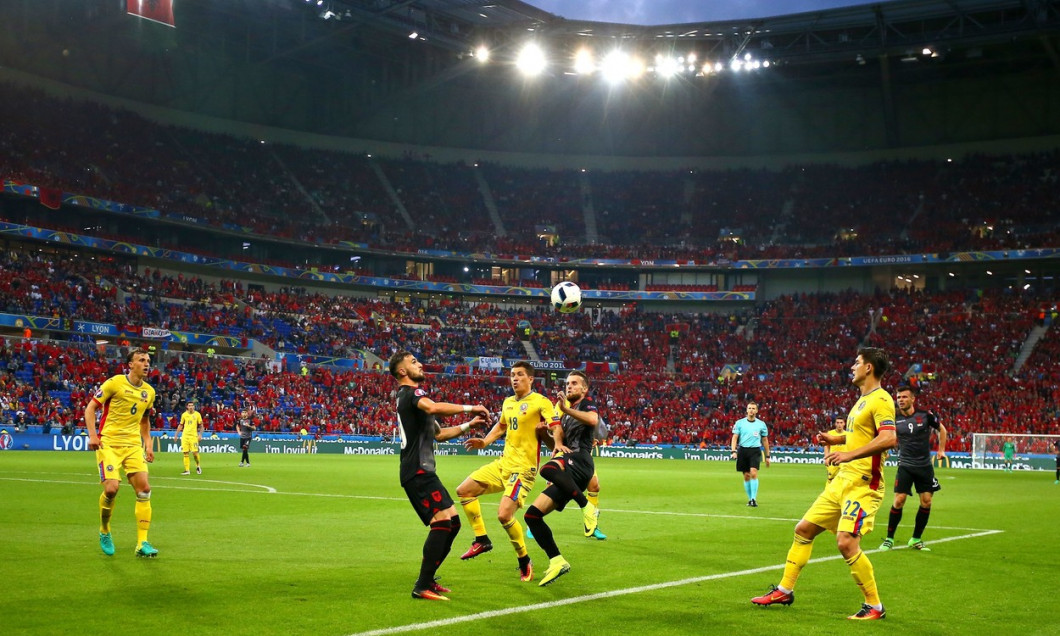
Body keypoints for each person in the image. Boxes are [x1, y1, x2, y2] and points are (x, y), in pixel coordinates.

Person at [751, 347, 897, 621]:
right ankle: (785, 589)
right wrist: (836, 441)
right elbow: (860, 436)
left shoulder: (882, 400)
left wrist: (848, 454)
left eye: (857, 362)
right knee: (803, 529)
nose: (852, 366)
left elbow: (889, 438)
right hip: (841, 482)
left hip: (863, 484)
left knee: (846, 542)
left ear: (868, 368)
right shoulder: (861, 401)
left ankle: (874, 606)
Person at [389, 351, 491, 601]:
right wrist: (471, 407)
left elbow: (439, 434)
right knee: (443, 523)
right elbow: (434, 406)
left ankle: (428, 580)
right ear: (402, 371)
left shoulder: (411, 400)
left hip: (423, 470)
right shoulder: (413, 394)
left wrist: (469, 425)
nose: (420, 363)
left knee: (453, 523)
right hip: (417, 471)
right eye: (413, 362)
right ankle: (421, 585)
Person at [456, 361, 558, 583]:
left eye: (520, 375)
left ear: (530, 379)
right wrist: (484, 442)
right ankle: (481, 539)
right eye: (512, 375)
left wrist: (551, 438)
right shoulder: (508, 402)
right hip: (503, 464)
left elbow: (555, 429)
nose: (515, 378)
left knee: (504, 515)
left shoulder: (541, 402)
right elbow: (502, 426)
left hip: (523, 470)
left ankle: (524, 560)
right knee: (464, 491)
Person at [524, 371, 601, 587]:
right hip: (569, 465)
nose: (569, 386)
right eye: (567, 383)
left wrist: (566, 408)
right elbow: (559, 445)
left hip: (581, 463)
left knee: (547, 469)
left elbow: (594, 420)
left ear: (584, 389)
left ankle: (586, 507)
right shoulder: (565, 413)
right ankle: (557, 561)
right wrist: (546, 436)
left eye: (574, 383)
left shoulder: (586, 404)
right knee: (532, 516)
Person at [84, 348, 159, 558]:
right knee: (111, 489)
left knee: (144, 490)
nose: (146, 364)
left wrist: (148, 443)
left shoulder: (149, 392)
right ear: (130, 364)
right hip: (109, 443)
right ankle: (105, 529)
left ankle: (142, 543)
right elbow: (90, 409)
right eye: (141, 360)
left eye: (148, 360)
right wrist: (93, 435)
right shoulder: (114, 383)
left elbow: (144, 419)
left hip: (133, 445)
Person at [880, 384, 946, 552]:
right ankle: (889, 539)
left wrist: (941, 450)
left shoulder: (925, 415)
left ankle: (916, 538)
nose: (900, 400)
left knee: (926, 502)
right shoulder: (893, 418)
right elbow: (886, 437)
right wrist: (886, 450)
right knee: (899, 500)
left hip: (924, 466)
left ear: (912, 399)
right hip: (905, 466)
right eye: (899, 397)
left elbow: (941, 429)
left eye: (904, 397)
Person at [730, 401, 770, 507]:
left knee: (753, 473)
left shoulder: (761, 424)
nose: (751, 410)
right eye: (749, 408)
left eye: (753, 408)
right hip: (743, 451)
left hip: (755, 451)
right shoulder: (739, 423)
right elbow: (735, 437)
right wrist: (733, 451)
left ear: (756, 411)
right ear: (746, 410)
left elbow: (765, 440)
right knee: (746, 476)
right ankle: (749, 499)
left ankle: (753, 499)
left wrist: (767, 456)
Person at [176, 401, 204, 475]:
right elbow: (181, 425)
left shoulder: (197, 414)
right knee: (185, 453)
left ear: (194, 407)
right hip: (185, 436)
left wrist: (200, 435)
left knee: (195, 453)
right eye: (189, 405)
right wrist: (176, 435)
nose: (191, 407)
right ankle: (187, 470)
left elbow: (201, 426)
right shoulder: (184, 415)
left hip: (194, 436)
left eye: (192, 405)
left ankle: (198, 466)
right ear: (187, 407)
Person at [824, 416, 847, 484]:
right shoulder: (830, 433)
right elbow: (826, 446)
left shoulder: (848, 434)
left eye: (841, 422)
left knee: (844, 481)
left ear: (844, 424)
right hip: (832, 460)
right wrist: (826, 458)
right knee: (831, 480)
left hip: (844, 461)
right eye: (837, 422)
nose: (839, 424)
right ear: (835, 424)